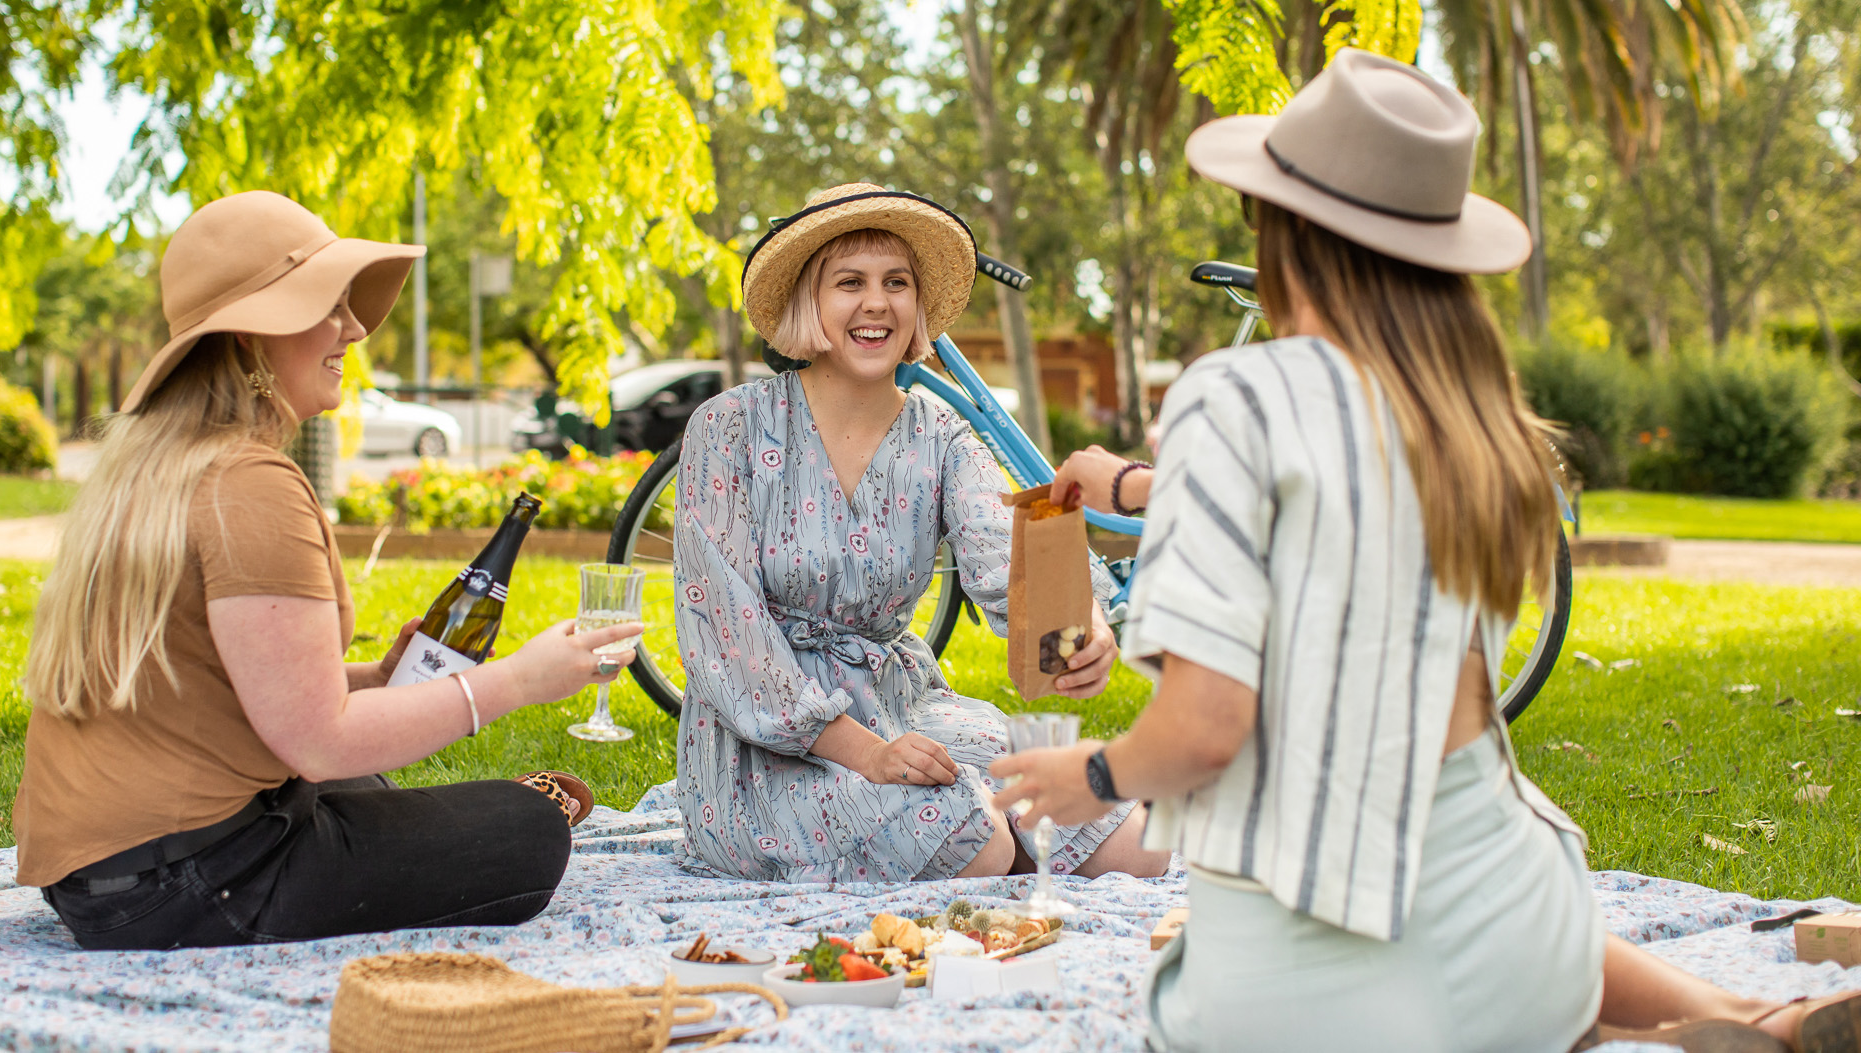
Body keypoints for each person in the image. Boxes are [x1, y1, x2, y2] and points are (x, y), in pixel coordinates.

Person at [998, 51, 1861, 1053]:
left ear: (1288, 239)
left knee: (1173, 1017)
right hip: (1524, 927)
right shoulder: (1480, 422)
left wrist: (1091, 778)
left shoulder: (1233, 398)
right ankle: (1753, 1019)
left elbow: (1202, 731)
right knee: (1489, 965)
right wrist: (1133, 484)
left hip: (1317, 990)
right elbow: (1336, 500)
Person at [14, 191, 641, 951]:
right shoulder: (250, 484)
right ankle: (496, 817)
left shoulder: (155, 469)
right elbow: (319, 744)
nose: (353, 328)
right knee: (529, 832)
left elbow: (208, 683)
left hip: (98, 875)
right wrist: (516, 680)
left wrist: (376, 678)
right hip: (190, 883)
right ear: (253, 336)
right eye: (326, 304)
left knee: (369, 784)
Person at [670, 183, 1168, 883]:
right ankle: (1004, 855)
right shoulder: (727, 426)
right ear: (809, 303)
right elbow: (725, 635)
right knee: (978, 837)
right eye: (850, 282)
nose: (877, 302)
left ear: (917, 308)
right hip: (763, 747)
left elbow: (1009, 562)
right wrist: (869, 753)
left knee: (1133, 842)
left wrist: (1083, 627)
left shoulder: (942, 436)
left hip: (903, 705)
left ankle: (1013, 852)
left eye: (896, 283)